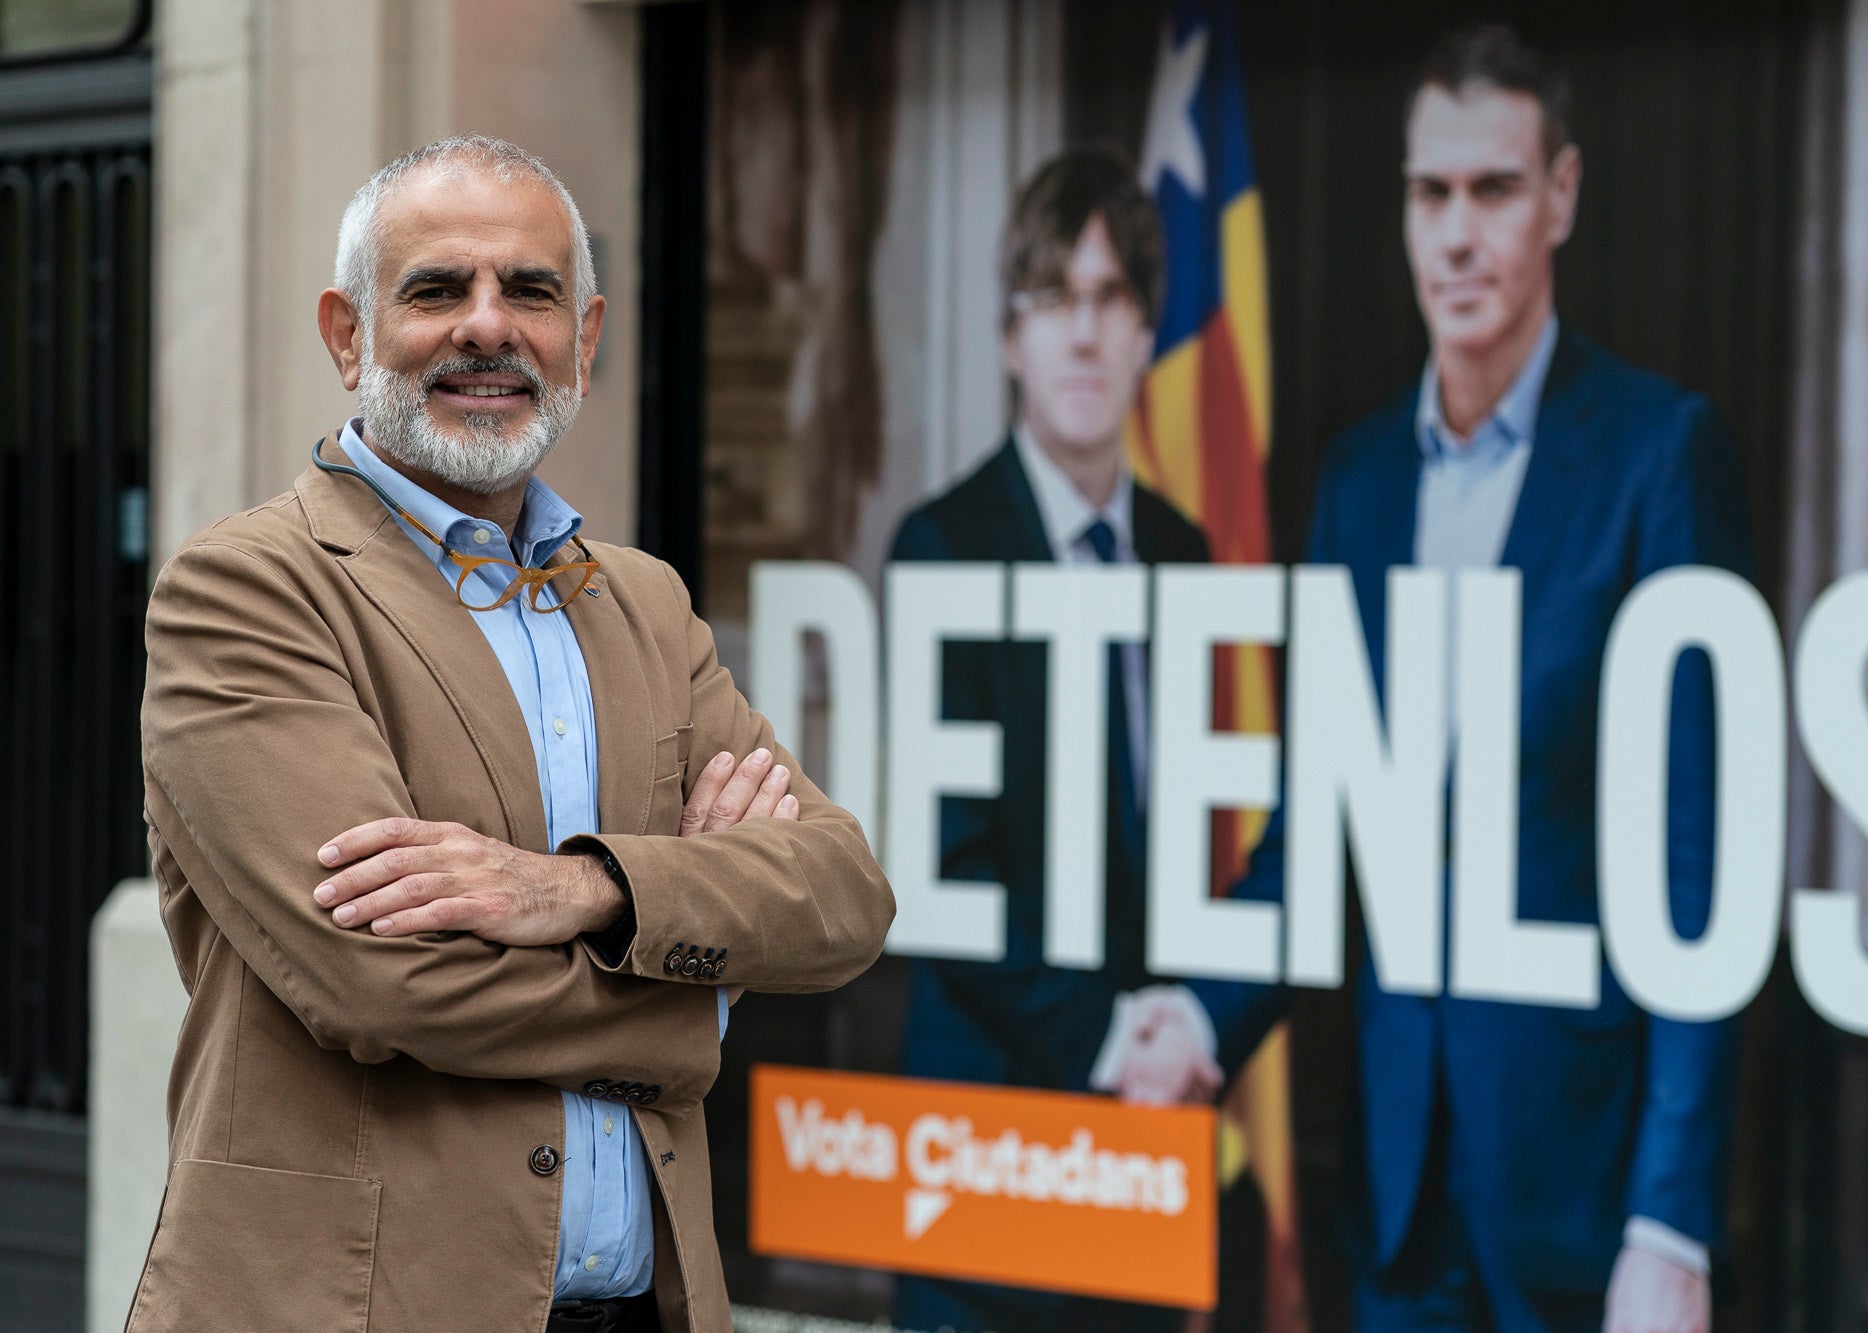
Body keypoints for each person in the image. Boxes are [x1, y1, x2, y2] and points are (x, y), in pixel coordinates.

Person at [133, 136, 894, 1333]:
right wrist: (699, 998)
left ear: (583, 339)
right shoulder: (248, 589)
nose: (488, 329)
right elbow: (388, 981)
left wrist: (582, 891)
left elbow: (842, 894)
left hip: (649, 1307)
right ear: (347, 334)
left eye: (530, 292)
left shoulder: (641, 599)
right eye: (437, 289)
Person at [1178, 24, 1751, 1333]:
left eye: (1493, 190)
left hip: (1587, 1197)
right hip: (1394, 1183)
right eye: (1429, 193)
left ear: (1562, 196)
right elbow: (1326, 822)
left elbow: (1695, 878)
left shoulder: (1663, 455)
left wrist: (1672, 1217)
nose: (1456, 233)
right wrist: (1205, 1019)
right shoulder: (1360, 480)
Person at [886, 145, 1254, 1332]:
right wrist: (1111, 1041)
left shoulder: (1187, 552)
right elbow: (947, 865)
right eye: (1053, 300)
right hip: (988, 1160)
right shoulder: (940, 548)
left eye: (1109, 299)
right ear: (1009, 338)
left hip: (1137, 1159)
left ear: (1148, 329)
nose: (1083, 335)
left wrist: (1182, 1037)